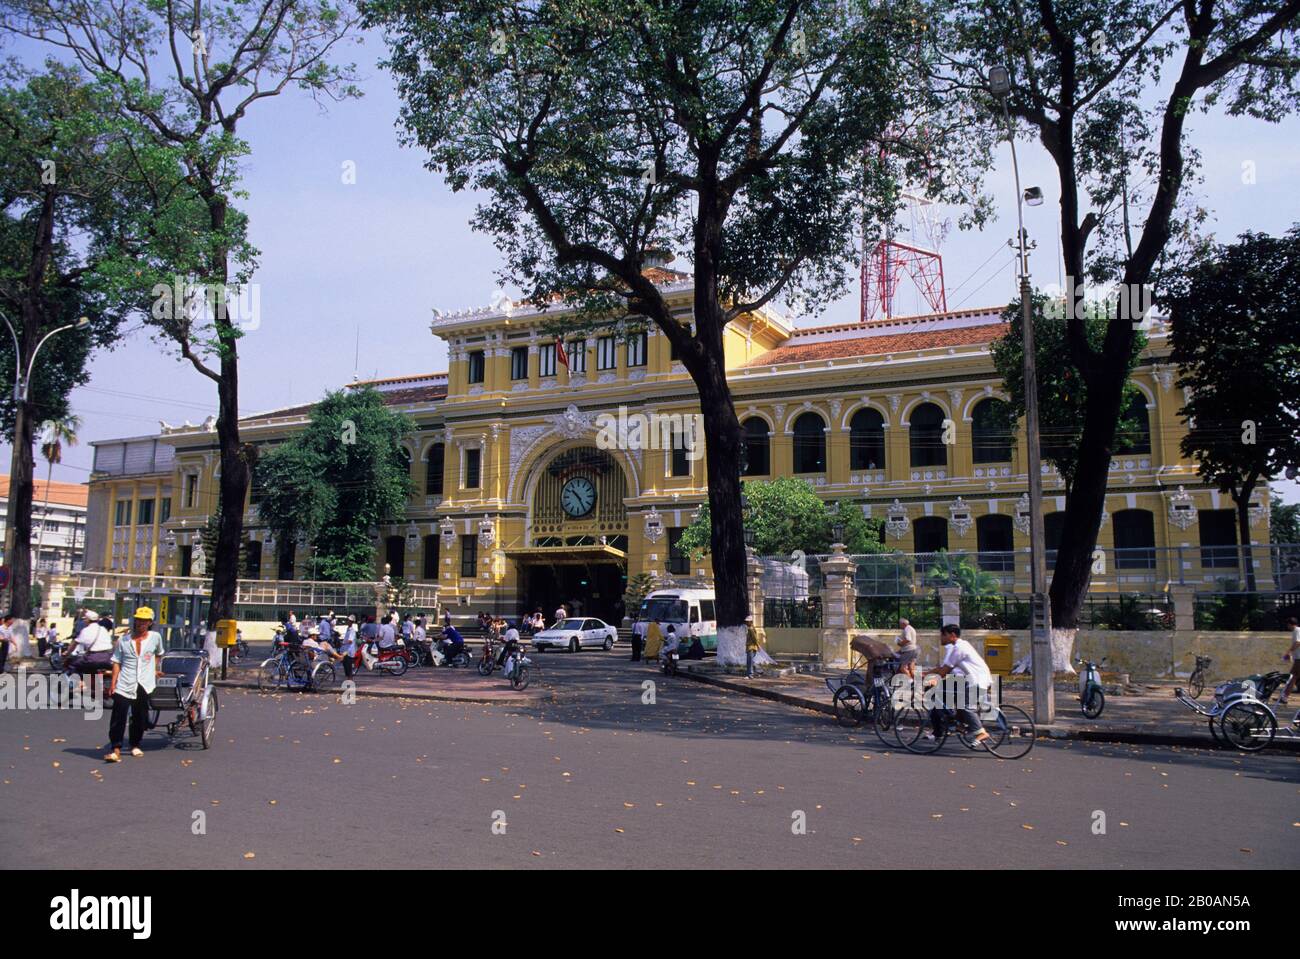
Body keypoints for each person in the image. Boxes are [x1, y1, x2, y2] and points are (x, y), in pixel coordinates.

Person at [104, 606, 165, 763]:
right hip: (125, 681)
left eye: (144, 621)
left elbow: (158, 654)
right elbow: (116, 661)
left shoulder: (155, 637)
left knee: (140, 715)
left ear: (150, 623)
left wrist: (154, 669)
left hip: (144, 683)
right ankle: (115, 748)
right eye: (138, 620)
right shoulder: (123, 640)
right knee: (119, 715)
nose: (141, 623)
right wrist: (113, 683)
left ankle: (135, 744)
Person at [922, 624, 993, 746]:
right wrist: (927, 674)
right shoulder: (961, 645)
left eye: (943, 635)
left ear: (952, 635)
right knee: (959, 704)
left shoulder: (958, 649)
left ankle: (981, 732)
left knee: (966, 706)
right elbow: (943, 668)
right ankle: (959, 725)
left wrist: (930, 679)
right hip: (973, 679)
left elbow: (945, 671)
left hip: (977, 680)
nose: (941, 638)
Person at [67, 610, 114, 686]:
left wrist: (67, 652)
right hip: (108, 658)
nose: (85, 620)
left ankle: (78, 684)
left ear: (88, 620)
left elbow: (74, 643)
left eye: (85, 619)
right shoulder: (103, 629)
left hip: (93, 658)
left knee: (74, 665)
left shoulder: (85, 630)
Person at [1279, 617, 1300, 706]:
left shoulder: (1296, 630)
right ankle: (1284, 696)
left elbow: (1298, 642)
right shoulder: (1296, 631)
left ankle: (1284, 696)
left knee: (1292, 676)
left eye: (1288, 625)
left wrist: (1289, 652)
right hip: (1298, 658)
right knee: (1295, 677)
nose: (1287, 627)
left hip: (1299, 658)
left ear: (1291, 624)